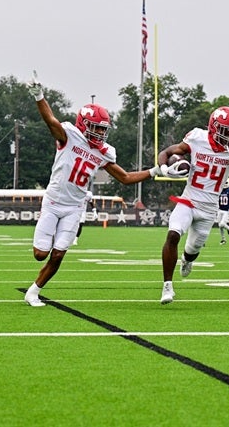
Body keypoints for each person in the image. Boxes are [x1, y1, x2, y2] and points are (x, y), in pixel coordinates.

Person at [23, 72, 163, 307]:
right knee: (40, 254)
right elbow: (51, 121)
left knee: (59, 254)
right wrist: (39, 96)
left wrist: (155, 171)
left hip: (74, 207)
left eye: (102, 129)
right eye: (96, 128)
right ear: (83, 125)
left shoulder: (103, 151)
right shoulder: (69, 136)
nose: (100, 133)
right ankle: (49, 246)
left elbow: (125, 178)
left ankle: (33, 292)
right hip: (54, 201)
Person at [157, 106, 229, 304]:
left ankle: (187, 259)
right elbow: (166, 152)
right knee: (173, 233)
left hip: (209, 208)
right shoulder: (197, 138)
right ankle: (167, 286)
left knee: (192, 251)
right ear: (214, 127)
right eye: (226, 131)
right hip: (189, 200)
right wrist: (166, 168)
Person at [216, 180, 229, 245]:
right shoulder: (219, 189)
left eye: (226, 182)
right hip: (219, 210)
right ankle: (223, 239)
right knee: (220, 226)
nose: (224, 184)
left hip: (226, 211)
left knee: (222, 224)